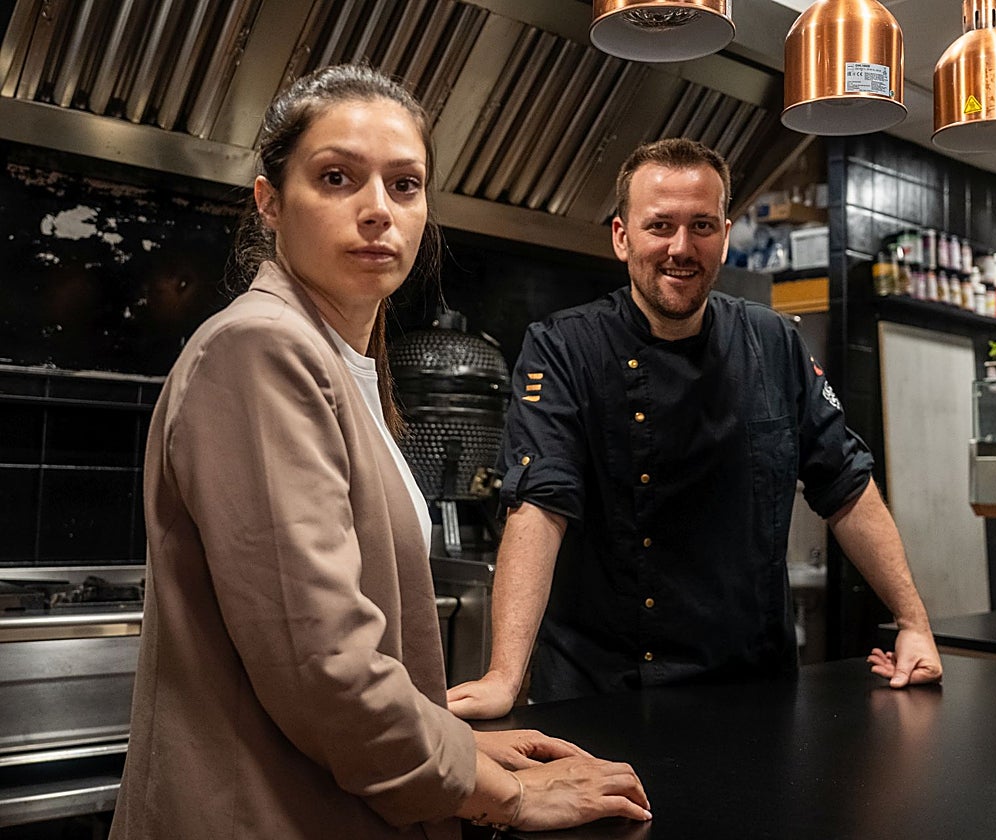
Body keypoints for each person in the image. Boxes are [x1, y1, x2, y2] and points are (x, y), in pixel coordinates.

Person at [109, 64, 650, 840]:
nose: (377, 211)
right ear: (269, 204)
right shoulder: (261, 349)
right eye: (337, 178)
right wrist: (509, 796)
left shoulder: (340, 362)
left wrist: (458, 746)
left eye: (405, 185)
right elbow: (325, 670)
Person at [447, 138, 942, 719]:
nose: (681, 247)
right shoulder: (563, 347)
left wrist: (914, 622)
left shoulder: (774, 342)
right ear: (621, 236)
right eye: (660, 225)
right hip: (606, 694)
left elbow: (847, 485)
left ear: (726, 235)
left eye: (701, 225)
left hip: (756, 690)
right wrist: (506, 676)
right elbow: (539, 503)